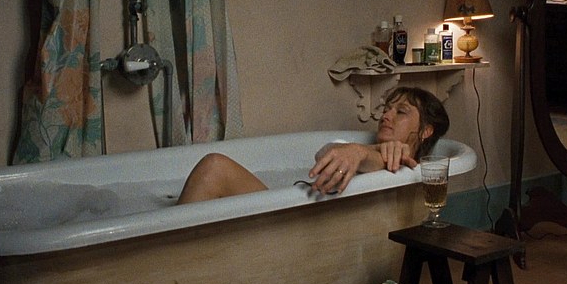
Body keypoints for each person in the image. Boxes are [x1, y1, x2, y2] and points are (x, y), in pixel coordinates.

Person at [176, 86, 449, 204]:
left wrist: (363, 154)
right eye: (387, 108)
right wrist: (363, 151)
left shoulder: (414, 172)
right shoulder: (359, 150)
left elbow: (390, 167)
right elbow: (328, 153)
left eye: (401, 112)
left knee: (215, 168)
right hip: (290, 211)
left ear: (426, 130)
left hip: (294, 228)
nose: (386, 115)